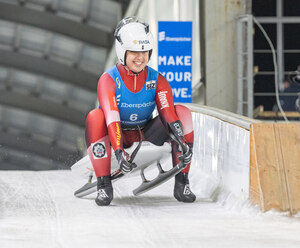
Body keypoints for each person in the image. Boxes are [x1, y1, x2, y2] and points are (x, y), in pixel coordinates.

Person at [85, 17, 196, 206]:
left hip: (144, 133)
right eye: (135, 52)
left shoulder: (157, 80)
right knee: (95, 116)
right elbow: (112, 118)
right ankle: (104, 185)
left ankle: (182, 183)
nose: (140, 57)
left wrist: (182, 142)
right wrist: (119, 152)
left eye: (145, 52)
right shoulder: (108, 80)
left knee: (183, 112)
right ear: (123, 52)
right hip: (116, 137)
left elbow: (168, 114)